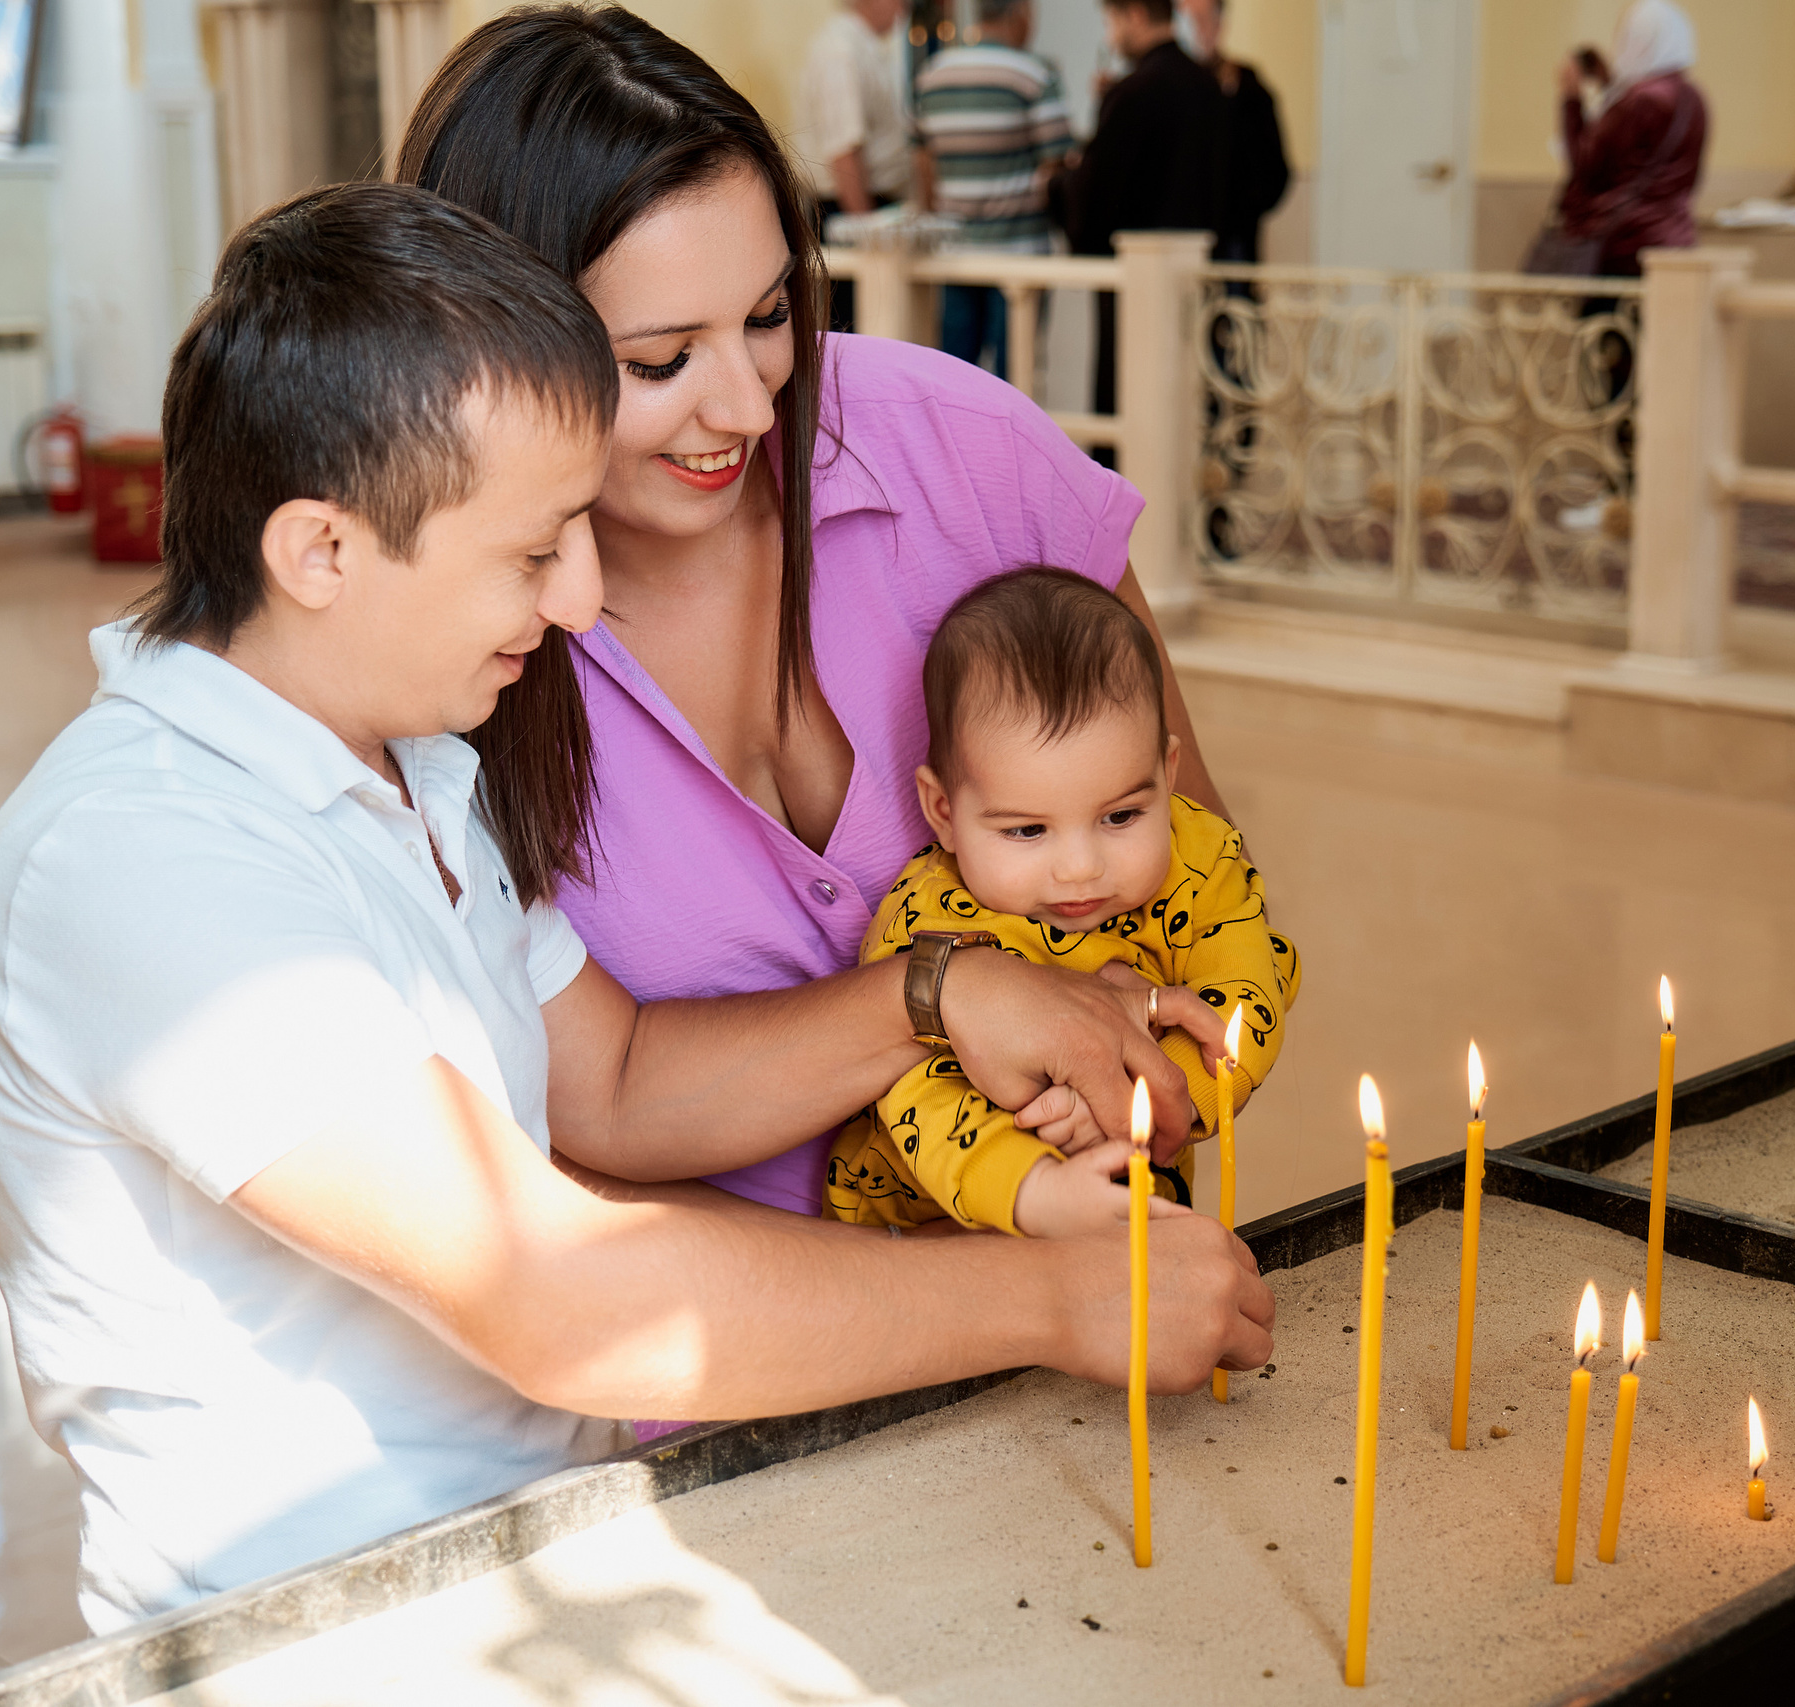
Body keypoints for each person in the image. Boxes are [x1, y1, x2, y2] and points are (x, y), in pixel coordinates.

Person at [0, 183, 1273, 1632]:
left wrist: (937, 992)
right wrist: (1059, 1298)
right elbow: (555, 1293)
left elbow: (621, 1079)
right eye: (533, 551)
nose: (580, 598)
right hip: (326, 1629)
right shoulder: (141, 855)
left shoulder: (407, 770)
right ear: (320, 551)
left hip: (548, 1564)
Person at [397, 9, 1235, 1228]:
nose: (748, 407)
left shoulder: (971, 455)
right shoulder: (436, 648)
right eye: (661, 361)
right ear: (487, 355)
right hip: (735, 1325)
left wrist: (1133, 1057)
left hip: (1101, 1276)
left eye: (767, 316)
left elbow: (1195, 869)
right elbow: (581, 1114)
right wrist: (946, 1000)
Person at [826, 569, 1300, 1237]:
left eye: (1121, 816)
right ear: (944, 811)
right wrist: (1035, 1187)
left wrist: (1144, 1098)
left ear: (1167, 774)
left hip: (1129, 1207)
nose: (1081, 868)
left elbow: (1250, 994)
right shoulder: (924, 923)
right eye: (1027, 830)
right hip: (912, 1236)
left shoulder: (1199, 861)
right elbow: (919, 1095)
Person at [1070, 0, 1226, 444]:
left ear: (1135, 14)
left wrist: (1058, 185)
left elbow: (1095, 199)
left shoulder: (1134, 92)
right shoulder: (1208, 85)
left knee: (1130, 406)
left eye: (1111, 22)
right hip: (1197, 276)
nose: (1109, 36)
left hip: (1134, 286)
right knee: (1184, 413)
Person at [911, 0, 1070, 379]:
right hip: (1020, 254)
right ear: (1020, 14)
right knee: (1016, 376)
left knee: (955, 373)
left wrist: (936, 216)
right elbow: (1057, 164)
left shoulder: (932, 75)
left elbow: (924, 163)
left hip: (955, 253)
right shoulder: (1034, 73)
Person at [1533, 0, 1708, 279]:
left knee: (1600, 310)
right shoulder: (1694, 97)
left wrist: (1571, 97)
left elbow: (1586, 165)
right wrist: (1610, 84)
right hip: (1674, 240)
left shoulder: (1638, 100)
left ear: (1640, 39)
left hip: (1623, 244)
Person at [797, 0, 912, 331]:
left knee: (879, 323)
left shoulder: (868, 47)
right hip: (851, 207)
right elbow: (844, 149)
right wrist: (865, 232)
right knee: (857, 325)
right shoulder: (840, 50)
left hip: (871, 207)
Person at [1177, 0, 1288, 265]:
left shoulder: (1245, 86)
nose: (1194, 30)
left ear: (1219, 24)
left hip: (1231, 240)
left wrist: (1242, 210)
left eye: (1201, 20)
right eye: (1186, 21)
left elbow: (1272, 168)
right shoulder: (1159, 86)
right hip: (1173, 238)